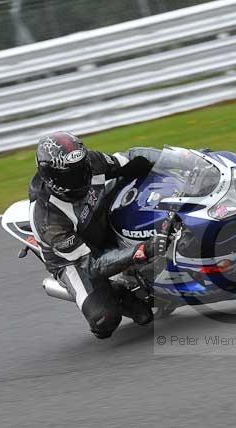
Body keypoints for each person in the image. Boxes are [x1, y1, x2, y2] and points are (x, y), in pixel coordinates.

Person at [28, 131, 168, 339]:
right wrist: (142, 250)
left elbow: (130, 160)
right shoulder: (49, 218)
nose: (80, 176)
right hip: (75, 260)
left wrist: (176, 160)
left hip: (98, 221)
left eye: (81, 168)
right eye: (71, 174)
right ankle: (117, 291)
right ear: (52, 177)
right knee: (104, 321)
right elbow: (92, 265)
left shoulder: (90, 162)